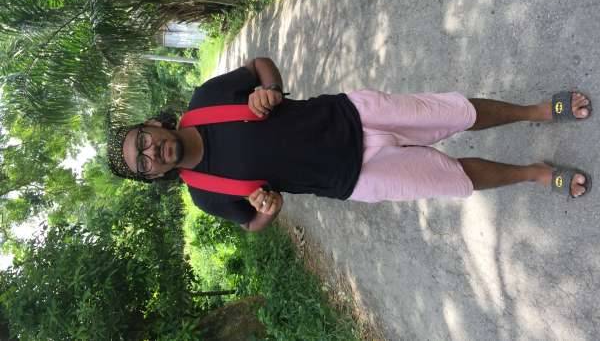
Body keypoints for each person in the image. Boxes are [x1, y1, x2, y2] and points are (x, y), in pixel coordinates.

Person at [107, 57, 592, 232]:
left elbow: (259, 65)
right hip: (355, 179)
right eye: (142, 162)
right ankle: (534, 173)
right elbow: (252, 223)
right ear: (154, 176)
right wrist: (269, 210)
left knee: (455, 112)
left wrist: (269, 89)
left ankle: (536, 111)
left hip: (354, 114)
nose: (151, 152)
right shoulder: (205, 193)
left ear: (151, 124)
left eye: (143, 140)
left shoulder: (205, 101)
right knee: (455, 179)